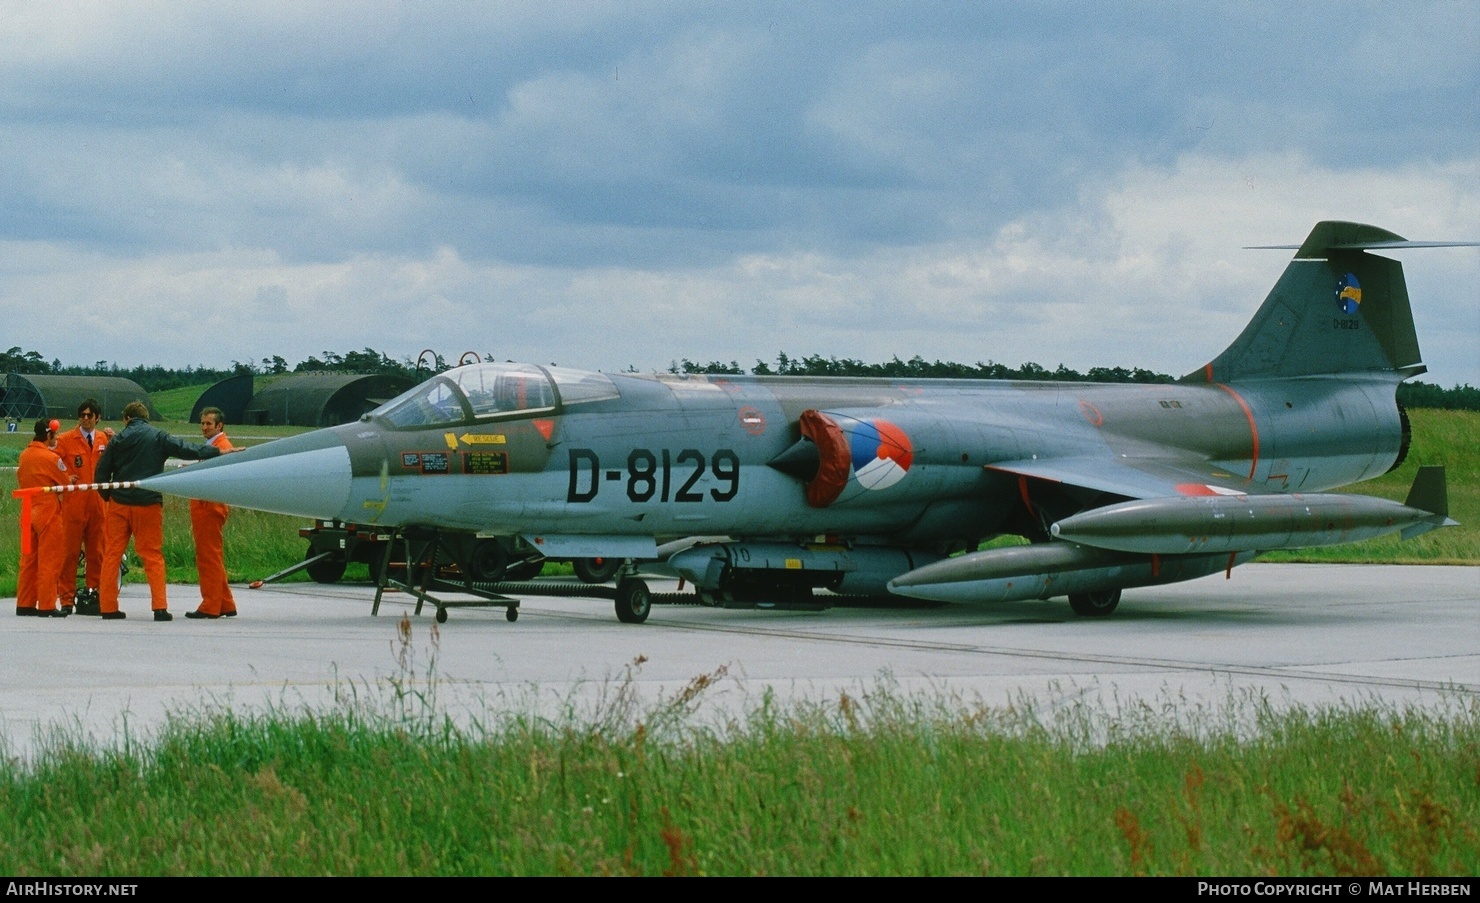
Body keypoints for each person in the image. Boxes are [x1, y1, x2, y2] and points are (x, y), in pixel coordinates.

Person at [95, 401, 223, 622]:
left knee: (112, 555)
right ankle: (160, 608)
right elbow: (187, 449)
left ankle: (108, 607)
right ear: (146, 419)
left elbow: (101, 475)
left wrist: (111, 498)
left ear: (127, 419)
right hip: (148, 503)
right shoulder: (158, 436)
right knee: (152, 555)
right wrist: (216, 452)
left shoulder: (117, 439)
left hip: (119, 504)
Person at [52, 399, 114, 615]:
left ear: (97, 417)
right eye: (82, 415)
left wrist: (114, 440)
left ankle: (93, 593)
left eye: (89, 415)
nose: (85, 419)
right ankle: (66, 598)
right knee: (69, 553)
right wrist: (64, 476)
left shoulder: (104, 439)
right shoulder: (66, 439)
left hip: (98, 504)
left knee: (97, 553)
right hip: (74, 503)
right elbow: (51, 460)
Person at [16, 420, 72, 617]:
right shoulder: (51, 457)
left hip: (27, 509)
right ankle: (47, 605)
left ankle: (24, 603)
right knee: (50, 560)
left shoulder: (24, 455)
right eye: (54, 435)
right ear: (48, 435)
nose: (55, 439)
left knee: (28, 560)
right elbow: (65, 482)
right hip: (47, 510)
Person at [187, 407, 237, 619]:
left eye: (209, 424)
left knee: (208, 557)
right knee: (212, 555)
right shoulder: (214, 445)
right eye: (203, 423)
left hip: (209, 507)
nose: (204, 427)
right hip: (207, 507)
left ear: (219, 426)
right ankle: (225, 603)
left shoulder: (221, 448)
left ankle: (210, 604)